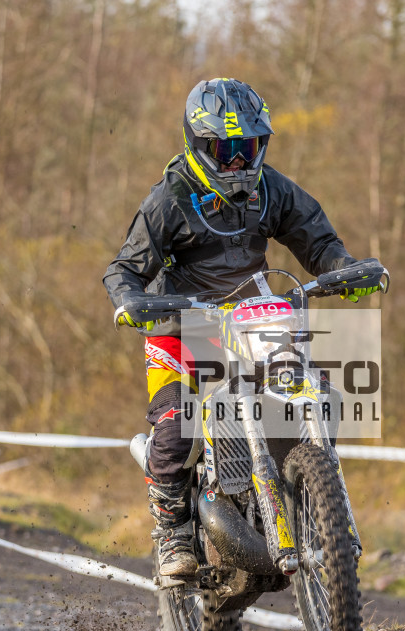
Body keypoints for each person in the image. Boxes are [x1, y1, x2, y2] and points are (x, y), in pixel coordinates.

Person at [103, 78, 377, 576]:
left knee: (318, 395)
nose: (238, 163)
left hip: (253, 316)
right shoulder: (170, 197)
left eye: (247, 148)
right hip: (181, 324)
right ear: (199, 145)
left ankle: (309, 496)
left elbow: (317, 239)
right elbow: (125, 268)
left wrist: (343, 268)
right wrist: (131, 299)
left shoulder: (271, 189)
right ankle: (173, 535)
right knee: (176, 426)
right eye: (226, 151)